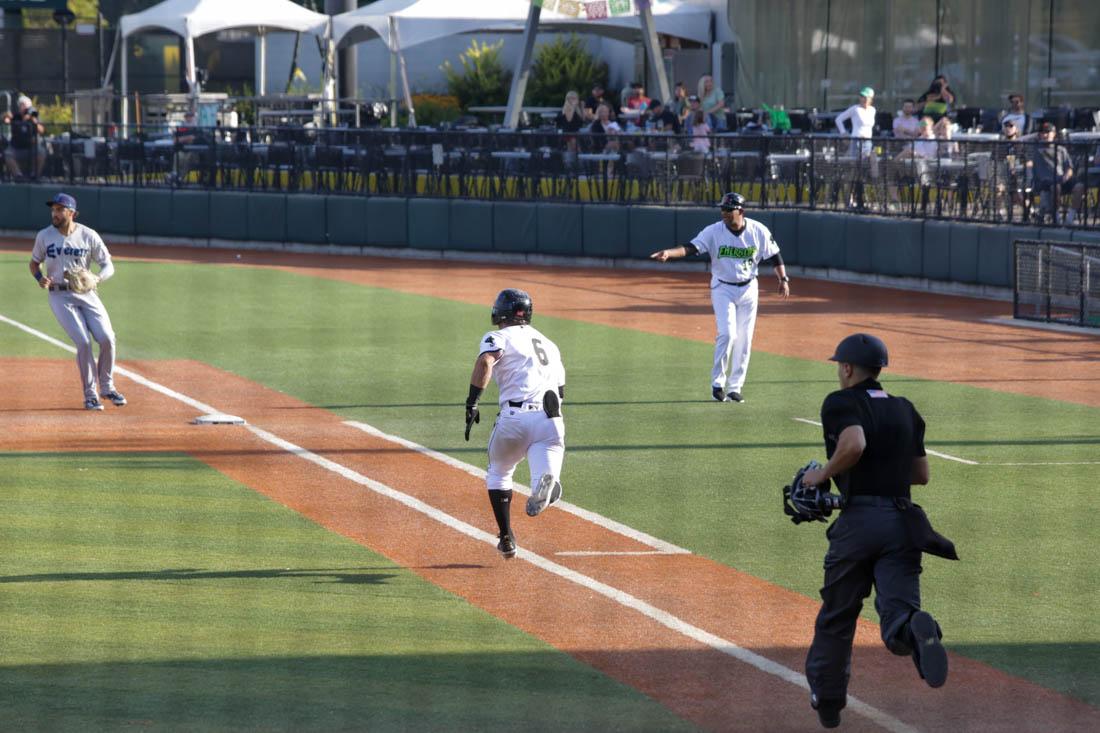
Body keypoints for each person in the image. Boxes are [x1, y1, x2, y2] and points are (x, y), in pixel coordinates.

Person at [798, 333, 955, 729]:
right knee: (898, 613)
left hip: (859, 526)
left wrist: (822, 476)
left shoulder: (841, 402)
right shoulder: (906, 409)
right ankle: (915, 631)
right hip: (904, 524)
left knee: (838, 616)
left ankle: (829, 704)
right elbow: (921, 475)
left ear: (848, 368)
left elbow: (854, 443)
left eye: (839, 366)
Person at [648, 192, 790, 402]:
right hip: (723, 288)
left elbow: (774, 255)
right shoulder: (714, 231)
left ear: (740, 211)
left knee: (745, 340)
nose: (723, 213)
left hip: (750, 289)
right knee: (727, 334)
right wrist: (669, 253)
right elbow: (691, 247)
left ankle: (735, 387)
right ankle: (717, 384)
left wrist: (783, 279)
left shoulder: (757, 230)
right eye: (722, 209)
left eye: (728, 209)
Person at [464, 289, 566, 559]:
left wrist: (472, 402)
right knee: (544, 461)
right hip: (551, 418)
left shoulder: (498, 337)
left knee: (499, 471)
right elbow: (561, 390)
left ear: (500, 312)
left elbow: (486, 361)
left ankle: (507, 536)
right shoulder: (549, 344)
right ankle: (545, 486)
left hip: (514, 418)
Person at [29, 193, 126, 411]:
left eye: (59, 209)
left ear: (71, 213)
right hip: (59, 296)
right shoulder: (44, 236)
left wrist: (98, 278)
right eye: (53, 209)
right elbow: (34, 264)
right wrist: (39, 278)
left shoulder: (88, 235)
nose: (54, 213)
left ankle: (107, 387)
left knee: (107, 338)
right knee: (83, 342)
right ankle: (90, 395)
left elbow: (108, 265)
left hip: (87, 294)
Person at [1027, 121, 1085, 224]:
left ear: (1054, 134)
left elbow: (1069, 168)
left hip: (1061, 178)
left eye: (1047, 132)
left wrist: (1067, 175)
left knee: (1079, 186)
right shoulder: (1035, 149)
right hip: (1045, 182)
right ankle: (1056, 218)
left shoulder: (1061, 149)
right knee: (1056, 187)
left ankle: (1070, 218)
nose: (1045, 135)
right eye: (1042, 132)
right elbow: (1028, 162)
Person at [3, 95, 47, 179]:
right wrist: (6, 117)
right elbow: (6, 120)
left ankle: (35, 175)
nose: (23, 108)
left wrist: (33, 121)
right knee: (7, 154)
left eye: (26, 106)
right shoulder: (16, 117)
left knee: (42, 152)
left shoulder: (34, 117)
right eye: (21, 106)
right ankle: (18, 176)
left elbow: (42, 131)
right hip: (16, 148)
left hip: (31, 148)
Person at [834, 87, 877, 157]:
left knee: (867, 163)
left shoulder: (873, 110)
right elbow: (838, 119)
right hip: (856, 141)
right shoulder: (855, 109)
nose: (865, 99)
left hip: (868, 142)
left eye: (867, 97)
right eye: (862, 97)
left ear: (871, 99)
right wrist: (843, 133)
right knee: (854, 164)